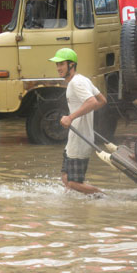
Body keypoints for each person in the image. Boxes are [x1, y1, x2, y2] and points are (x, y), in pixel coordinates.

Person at [49, 48, 107, 195]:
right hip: (74, 138)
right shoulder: (83, 79)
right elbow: (102, 100)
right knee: (65, 177)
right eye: (57, 65)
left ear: (71, 65)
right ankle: (73, 209)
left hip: (81, 139)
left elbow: (92, 101)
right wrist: (85, 115)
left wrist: (71, 117)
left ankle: (104, 196)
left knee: (74, 183)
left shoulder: (76, 83)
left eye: (61, 64)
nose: (58, 68)